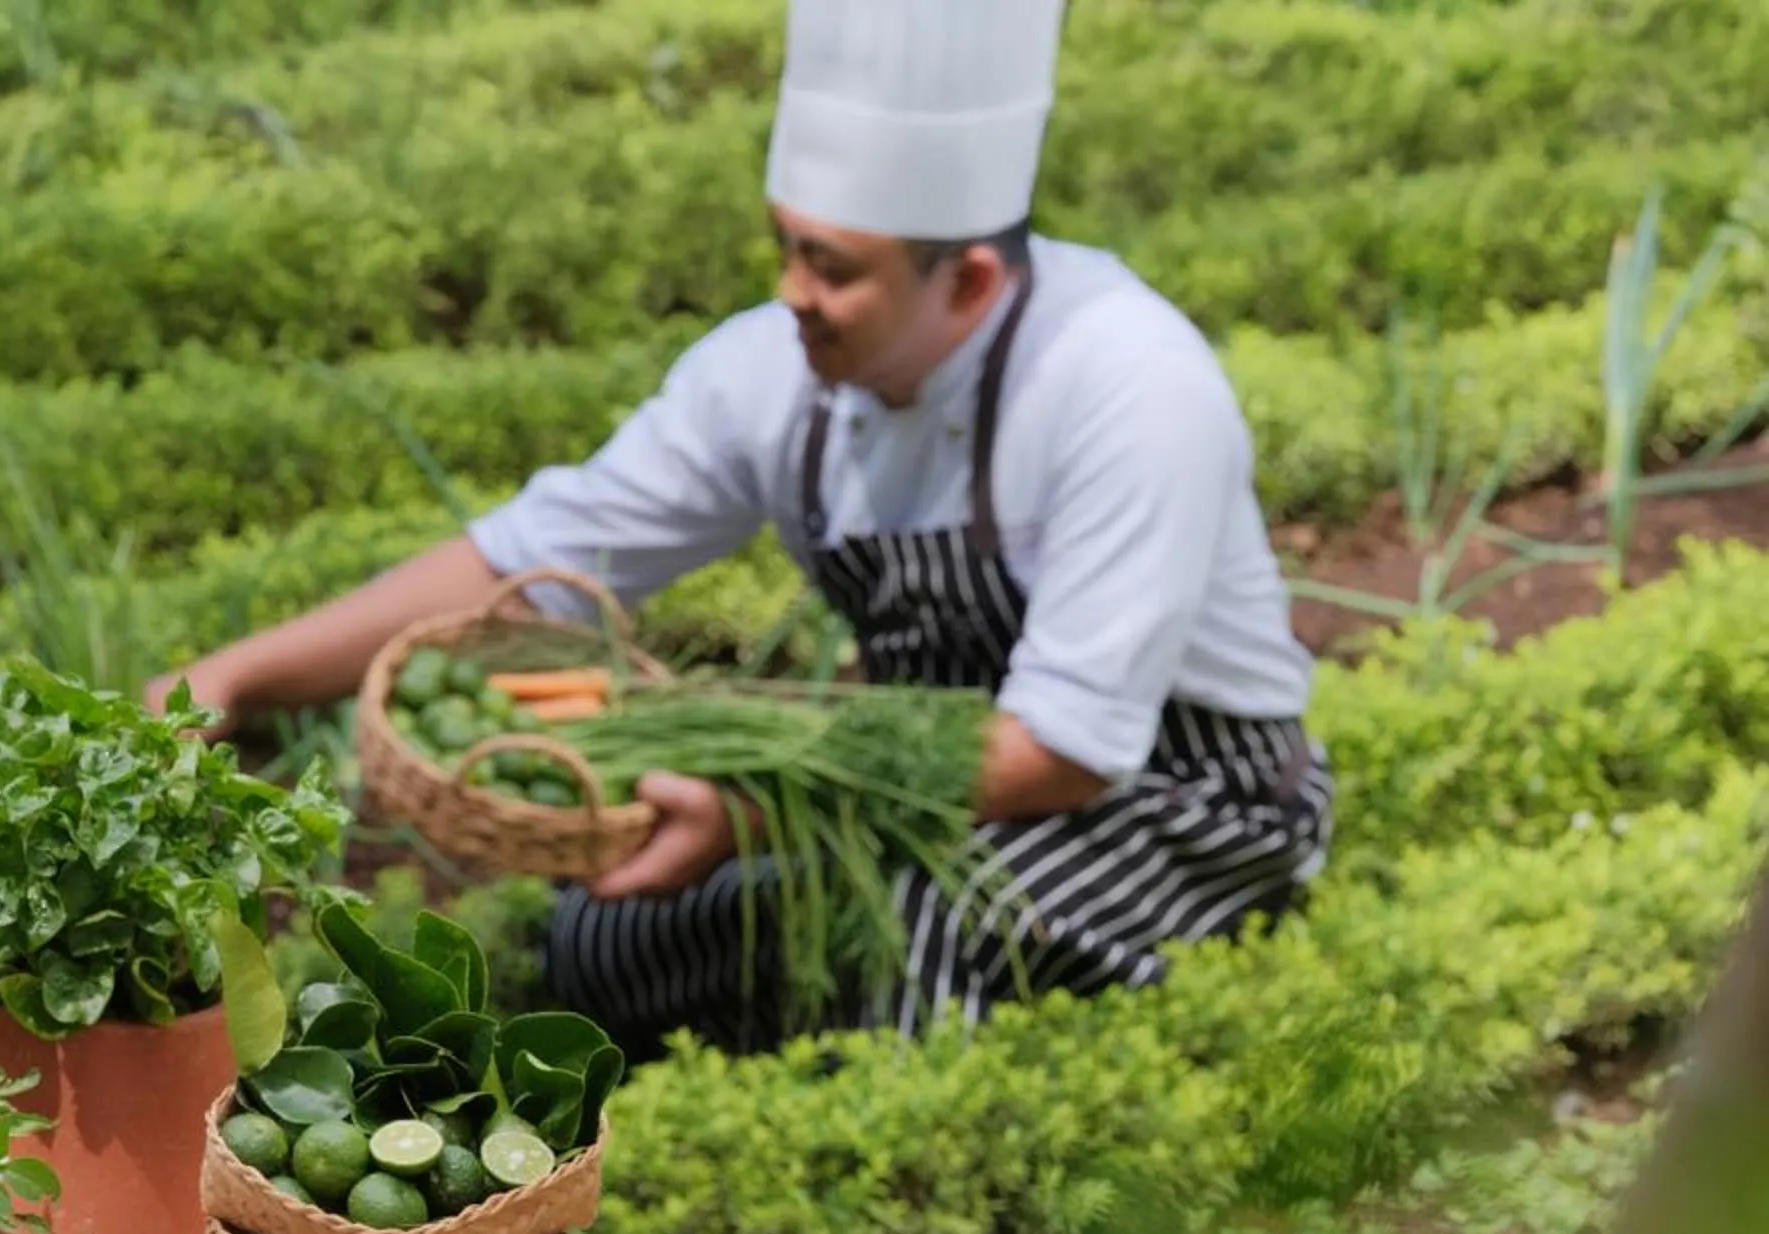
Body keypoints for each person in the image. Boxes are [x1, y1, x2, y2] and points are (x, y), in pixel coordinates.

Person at [149, 0, 1331, 1053]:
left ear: (967, 282)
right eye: (785, 247)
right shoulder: (782, 370)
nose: (791, 294)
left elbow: (1063, 748)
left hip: (1170, 795)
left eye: (833, 267)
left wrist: (751, 815)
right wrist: (238, 678)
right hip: (907, 776)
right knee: (604, 949)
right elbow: (540, 557)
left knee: (914, 933)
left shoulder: (1127, 385)